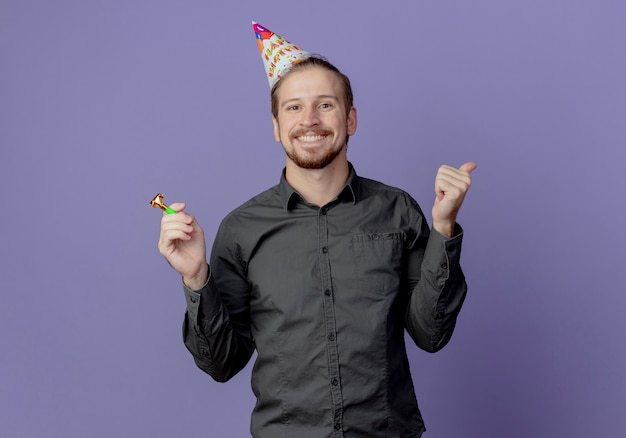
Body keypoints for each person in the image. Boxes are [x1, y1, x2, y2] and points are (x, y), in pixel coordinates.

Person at [157, 23, 476, 438]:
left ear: (351, 119)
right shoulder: (241, 229)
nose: (309, 120)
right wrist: (196, 277)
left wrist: (443, 226)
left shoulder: (398, 211)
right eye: (293, 107)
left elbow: (431, 335)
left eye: (325, 105)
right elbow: (220, 364)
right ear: (276, 126)